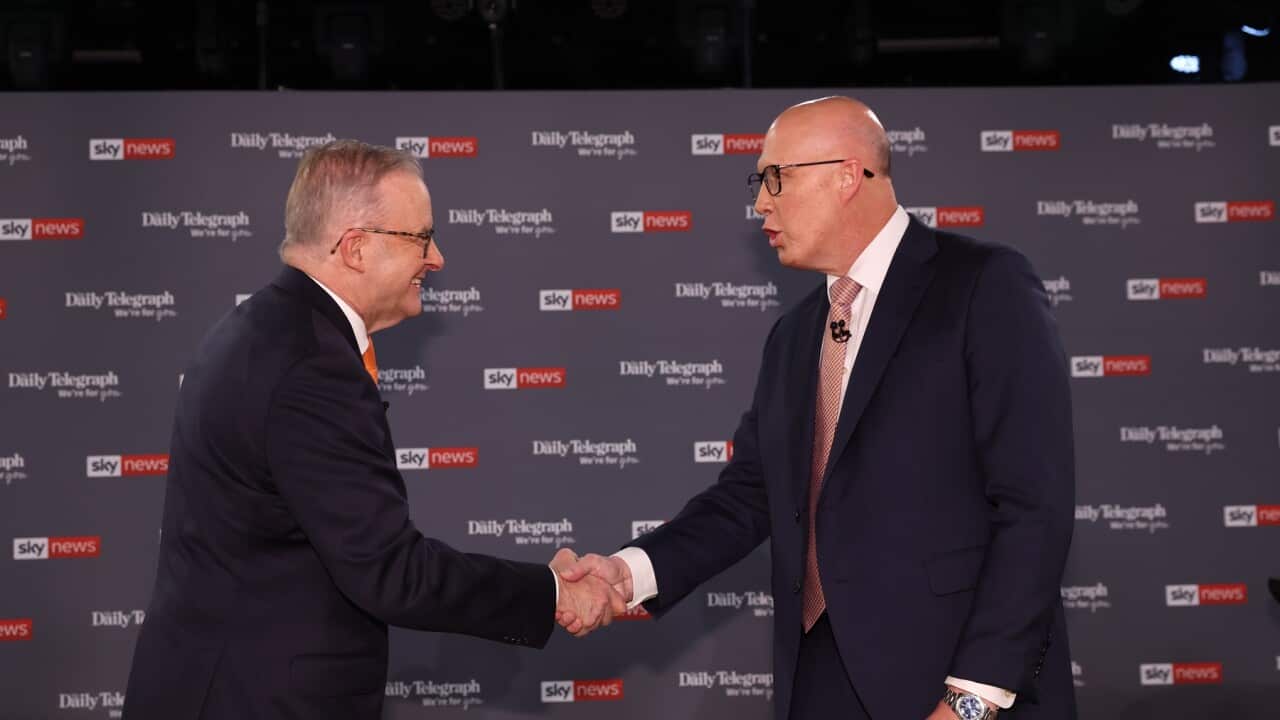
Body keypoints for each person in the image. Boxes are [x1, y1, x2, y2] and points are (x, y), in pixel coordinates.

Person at [559, 97, 1076, 720]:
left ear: (847, 174)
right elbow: (748, 496)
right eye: (760, 183)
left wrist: (974, 698)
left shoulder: (982, 286)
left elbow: (1033, 508)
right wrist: (627, 573)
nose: (760, 204)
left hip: (954, 683)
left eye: (777, 178)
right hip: (818, 683)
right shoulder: (794, 334)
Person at [123, 140, 623, 720]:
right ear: (356, 248)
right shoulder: (312, 367)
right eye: (420, 237)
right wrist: (555, 591)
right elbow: (391, 573)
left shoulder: (264, 327)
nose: (436, 258)